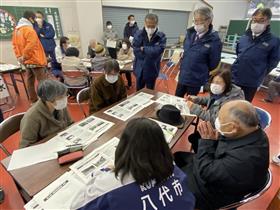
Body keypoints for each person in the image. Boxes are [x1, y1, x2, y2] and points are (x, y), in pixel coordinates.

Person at [71, 118, 195, 210]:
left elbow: (76, 206)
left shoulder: (110, 184)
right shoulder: (172, 166)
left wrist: (102, 173)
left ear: (124, 147)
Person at [174, 100, 269, 209]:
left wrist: (207, 142)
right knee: (178, 156)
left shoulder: (245, 160)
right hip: (221, 172)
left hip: (212, 193)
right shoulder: (253, 132)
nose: (217, 121)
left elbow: (206, 172)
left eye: (221, 120)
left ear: (233, 127)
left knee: (165, 178)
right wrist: (213, 139)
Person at [187, 69, 244, 152]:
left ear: (227, 84)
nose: (214, 85)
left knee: (195, 139)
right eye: (213, 82)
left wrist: (193, 108)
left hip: (223, 135)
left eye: (218, 82)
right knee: (193, 138)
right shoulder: (222, 91)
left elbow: (215, 120)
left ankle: (204, 158)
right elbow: (210, 100)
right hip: (214, 128)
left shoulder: (232, 101)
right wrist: (196, 99)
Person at [231, 8, 280, 102]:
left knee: (243, 108)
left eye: (261, 20)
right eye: (254, 20)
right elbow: (239, 54)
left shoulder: (274, 41)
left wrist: (259, 72)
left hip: (251, 81)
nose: (257, 23)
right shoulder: (244, 37)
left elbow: (273, 62)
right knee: (228, 103)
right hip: (235, 78)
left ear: (268, 22)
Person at [175, 6, 222, 97]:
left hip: (196, 79)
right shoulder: (190, 34)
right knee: (176, 100)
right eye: (195, 20)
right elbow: (186, 50)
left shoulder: (214, 41)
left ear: (209, 20)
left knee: (190, 104)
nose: (197, 23)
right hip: (183, 76)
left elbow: (213, 64)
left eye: (200, 20)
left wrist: (200, 69)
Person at [20, 80, 73, 148]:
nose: (64, 98)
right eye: (60, 97)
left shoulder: (60, 106)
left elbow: (70, 124)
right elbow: (25, 147)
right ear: (48, 99)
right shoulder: (32, 117)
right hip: (45, 149)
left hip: (62, 142)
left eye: (65, 95)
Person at [12, 10, 47, 103]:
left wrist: (20, 57)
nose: (36, 20)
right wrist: (25, 56)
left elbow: (14, 45)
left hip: (26, 61)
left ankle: (33, 101)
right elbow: (32, 44)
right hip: (35, 59)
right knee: (42, 82)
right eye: (35, 18)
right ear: (30, 18)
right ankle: (44, 101)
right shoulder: (29, 29)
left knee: (30, 82)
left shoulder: (17, 30)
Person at [133, 13, 166, 90]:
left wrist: (144, 49)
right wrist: (151, 52)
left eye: (153, 26)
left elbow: (159, 50)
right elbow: (136, 51)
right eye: (148, 26)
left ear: (157, 24)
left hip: (152, 69)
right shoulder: (139, 34)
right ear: (145, 23)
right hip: (140, 69)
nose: (150, 28)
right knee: (138, 92)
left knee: (150, 93)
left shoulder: (161, 36)